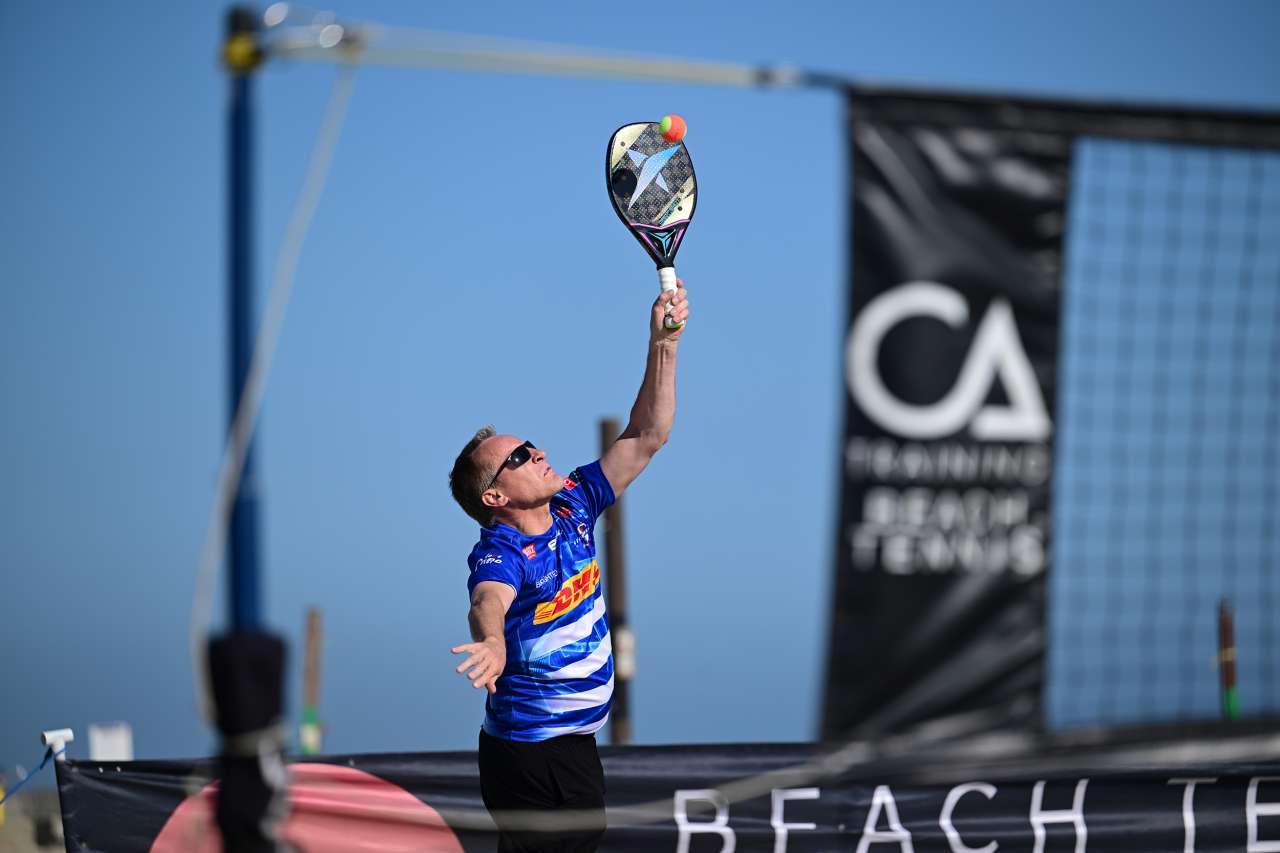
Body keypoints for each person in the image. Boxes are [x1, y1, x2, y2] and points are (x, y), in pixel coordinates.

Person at [447, 282, 690, 852]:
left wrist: (665, 343)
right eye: (516, 458)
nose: (536, 453)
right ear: (495, 497)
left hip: (569, 746)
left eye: (529, 444)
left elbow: (648, 435)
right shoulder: (500, 551)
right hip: (533, 757)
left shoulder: (574, 504)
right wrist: (492, 644)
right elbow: (489, 600)